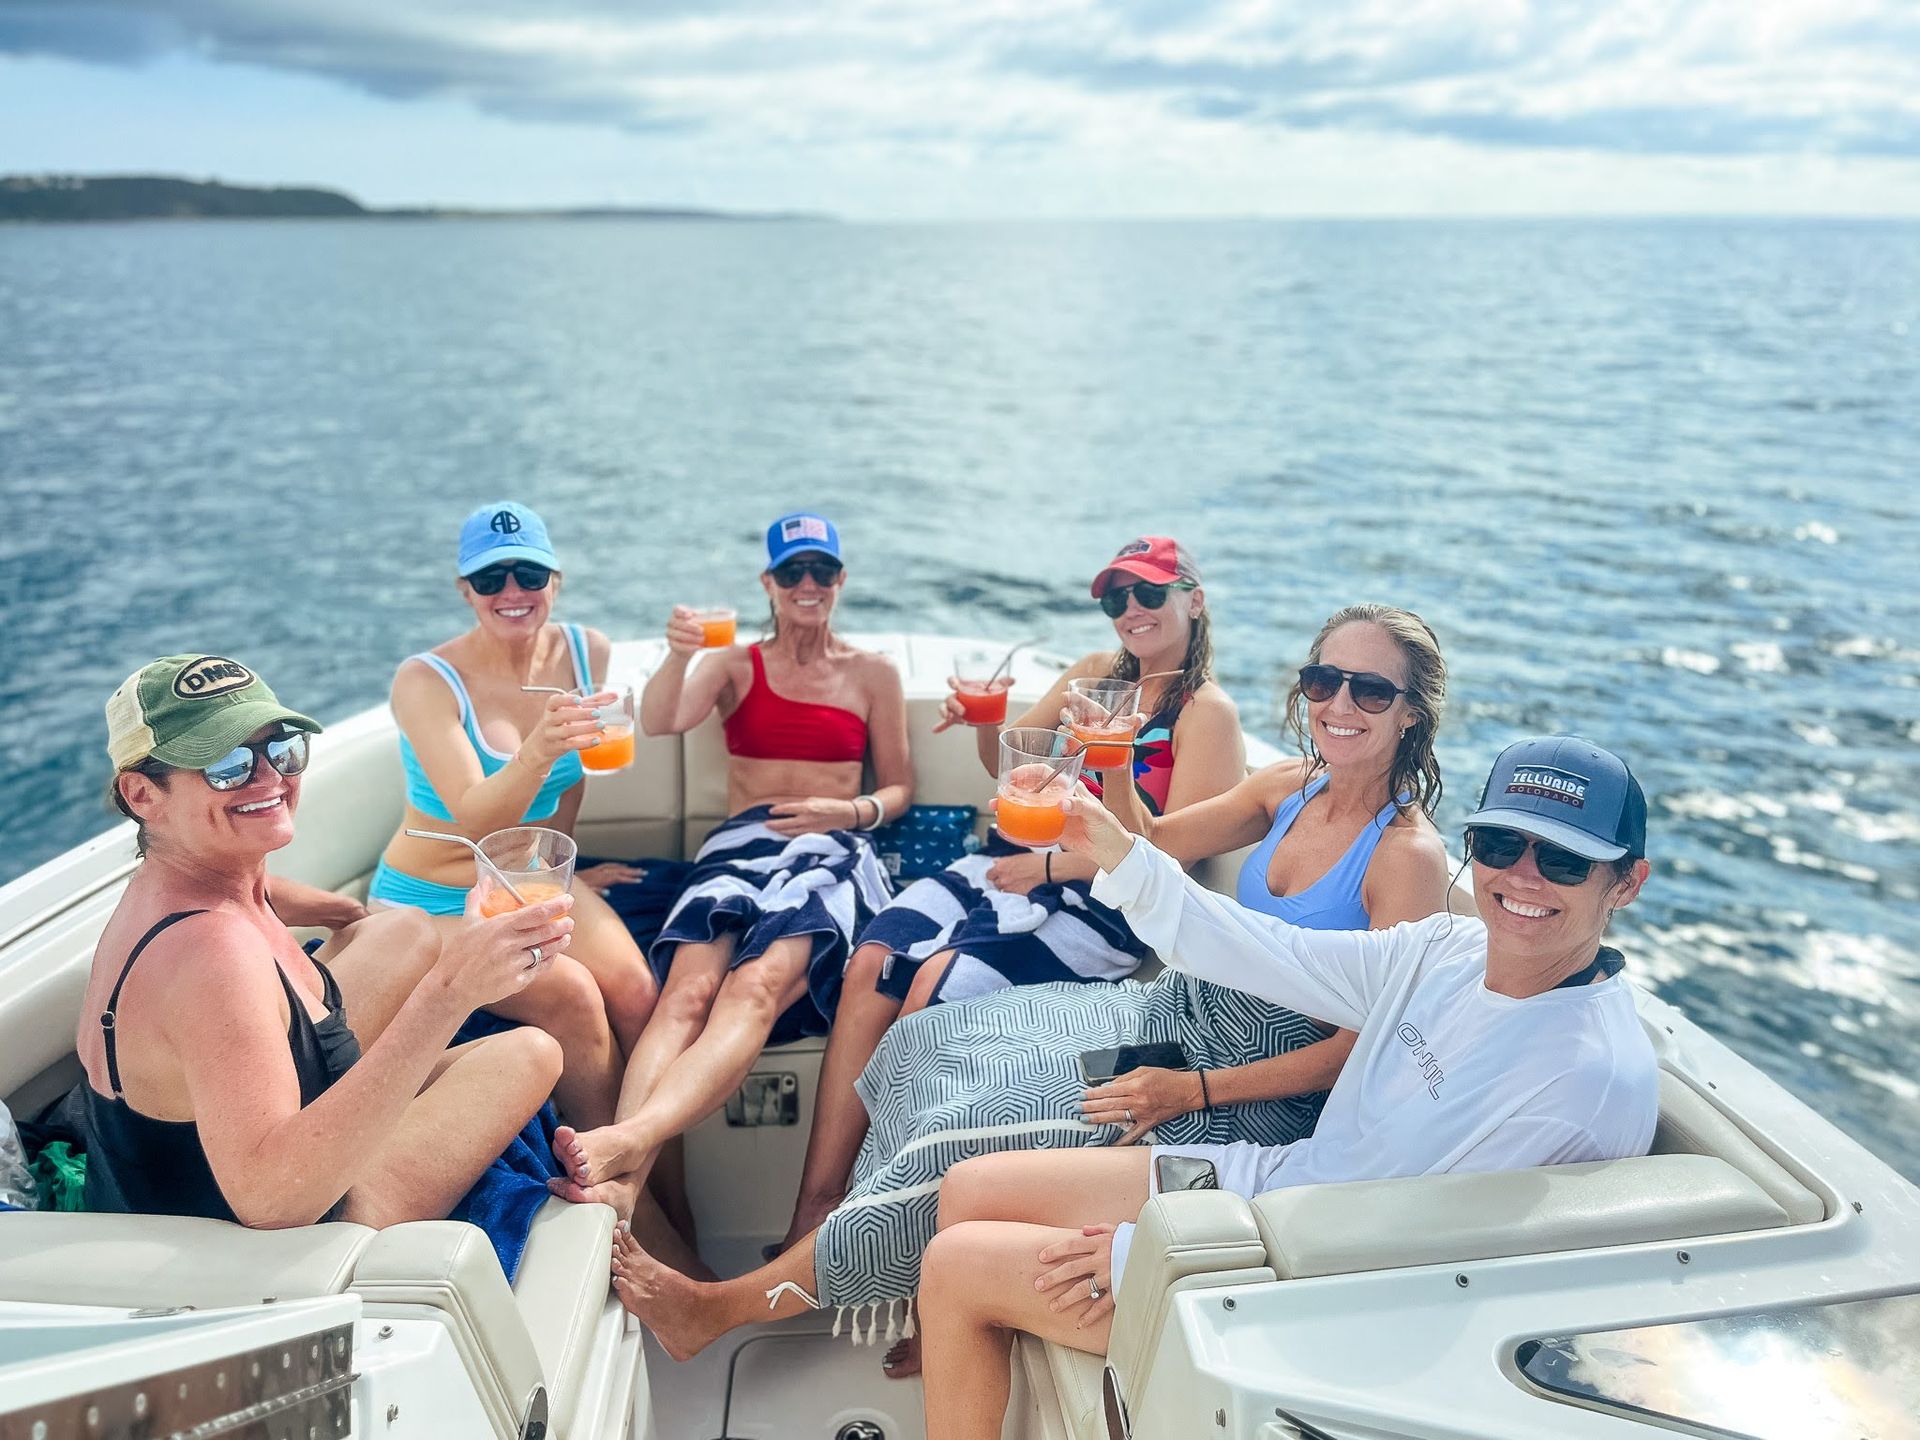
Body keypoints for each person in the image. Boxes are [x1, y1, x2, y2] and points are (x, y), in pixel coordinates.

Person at [598, 605, 1459, 1378]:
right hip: (1183, 1012)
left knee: (963, 1135)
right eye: (1323, 680)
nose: (1339, 704)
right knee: (930, 1039)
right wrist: (1114, 757)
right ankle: (902, 1271)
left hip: (1251, 1083)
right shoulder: (1289, 787)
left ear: (1411, 712)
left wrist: (1189, 1090)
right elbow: (1150, 841)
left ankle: (720, 1312)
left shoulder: (1404, 858)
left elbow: (1356, 1051)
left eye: (1370, 691)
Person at [908, 734, 1658, 1439]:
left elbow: (1415, 1255)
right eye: (1500, 845)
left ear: (1626, 883)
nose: (1522, 876)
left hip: (1302, 1288)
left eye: (1563, 860)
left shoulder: (1582, 1080)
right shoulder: (1447, 949)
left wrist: (1152, 1255)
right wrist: (1115, 847)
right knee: (968, 1190)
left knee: (955, 1267)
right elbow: (1271, 951)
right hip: (1277, 1195)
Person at [779, 536, 1247, 1247]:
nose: (1131, 609)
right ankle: (816, 1206)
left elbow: (1167, 853)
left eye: (1150, 593)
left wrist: (1054, 868)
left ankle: (888, 1232)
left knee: (938, 983)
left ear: (1194, 599)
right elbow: (1011, 766)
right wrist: (986, 717)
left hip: (1098, 904)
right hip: (1007, 864)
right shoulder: (1093, 673)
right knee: (874, 960)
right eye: (1117, 596)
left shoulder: (1204, 713)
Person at [79, 655, 568, 1228]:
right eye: (226, 766)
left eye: (280, 751)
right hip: (267, 1230)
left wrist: (328, 907)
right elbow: (271, 1202)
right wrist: (451, 993)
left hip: (176, 1166)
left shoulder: (186, 879)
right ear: (142, 795)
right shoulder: (213, 956)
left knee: (401, 929)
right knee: (529, 1053)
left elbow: (245, 893)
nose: (268, 780)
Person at [548, 513, 913, 1223]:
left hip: (832, 846)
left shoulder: (874, 673)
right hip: (741, 840)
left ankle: (625, 1148)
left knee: (754, 988)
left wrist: (851, 812)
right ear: (767, 583)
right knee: (686, 992)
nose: (808, 586)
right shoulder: (734, 662)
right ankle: (626, 1189)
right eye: (792, 573)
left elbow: (899, 787)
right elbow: (659, 719)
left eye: (822, 572)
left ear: (840, 580)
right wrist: (679, 652)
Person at [370, 501, 657, 1130]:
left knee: (639, 994)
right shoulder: (426, 681)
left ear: (556, 580)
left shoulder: (587, 651)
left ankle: (646, 1180)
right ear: (464, 591)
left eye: (529, 574)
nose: (511, 592)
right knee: (578, 995)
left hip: (528, 881)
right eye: (490, 579)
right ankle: (606, 1198)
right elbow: (476, 823)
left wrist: (568, 867)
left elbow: (572, 780)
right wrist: (538, 748)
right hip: (429, 899)